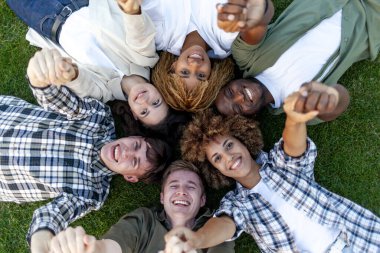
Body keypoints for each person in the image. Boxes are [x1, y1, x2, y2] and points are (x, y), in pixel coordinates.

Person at [0, 45, 172, 253]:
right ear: (133, 136)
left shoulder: (92, 192)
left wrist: (42, 244)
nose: (127, 152)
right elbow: (60, 102)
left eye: (134, 161)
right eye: (136, 145)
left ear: (130, 177)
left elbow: (53, 215)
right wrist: (41, 80)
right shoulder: (100, 119)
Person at [165, 91, 380, 252]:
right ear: (216, 171)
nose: (229, 157)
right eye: (218, 158)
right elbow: (225, 224)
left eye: (229, 145)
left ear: (242, 140)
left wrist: (295, 118)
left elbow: (293, 146)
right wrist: (197, 240)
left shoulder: (279, 165)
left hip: (361, 238)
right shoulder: (238, 204)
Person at [6, 0, 175, 127]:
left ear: (134, 114)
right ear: (161, 92)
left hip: (46, 18)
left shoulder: (103, 94)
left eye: (144, 111)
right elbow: (139, 35)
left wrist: (72, 73)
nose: (145, 101)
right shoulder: (145, 57)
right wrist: (132, 11)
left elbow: (83, 85)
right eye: (156, 102)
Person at [214, 0, 379, 123]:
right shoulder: (299, 110)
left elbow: (263, 16)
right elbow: (341, 99)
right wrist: (332, 96)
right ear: (251, 116)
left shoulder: (245, 55)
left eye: (230, 92)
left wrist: (256, 13)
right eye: (238, 108)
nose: (239, 97)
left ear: (230, 81)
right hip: (371, 20)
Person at [45, 160, 235, 253]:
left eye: (191, 187)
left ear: (202, 200)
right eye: (174, 185)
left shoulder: (215, 226)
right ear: (162, 197)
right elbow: (111, 247)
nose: (181, 191)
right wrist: (92, 249)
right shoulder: (144, 220)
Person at [145, 0, 242, 112]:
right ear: (211, 74)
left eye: (184, 72)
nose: (195, 64)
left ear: (173, 67)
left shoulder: (160, 37)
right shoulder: (226, 38)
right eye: (201, 75)